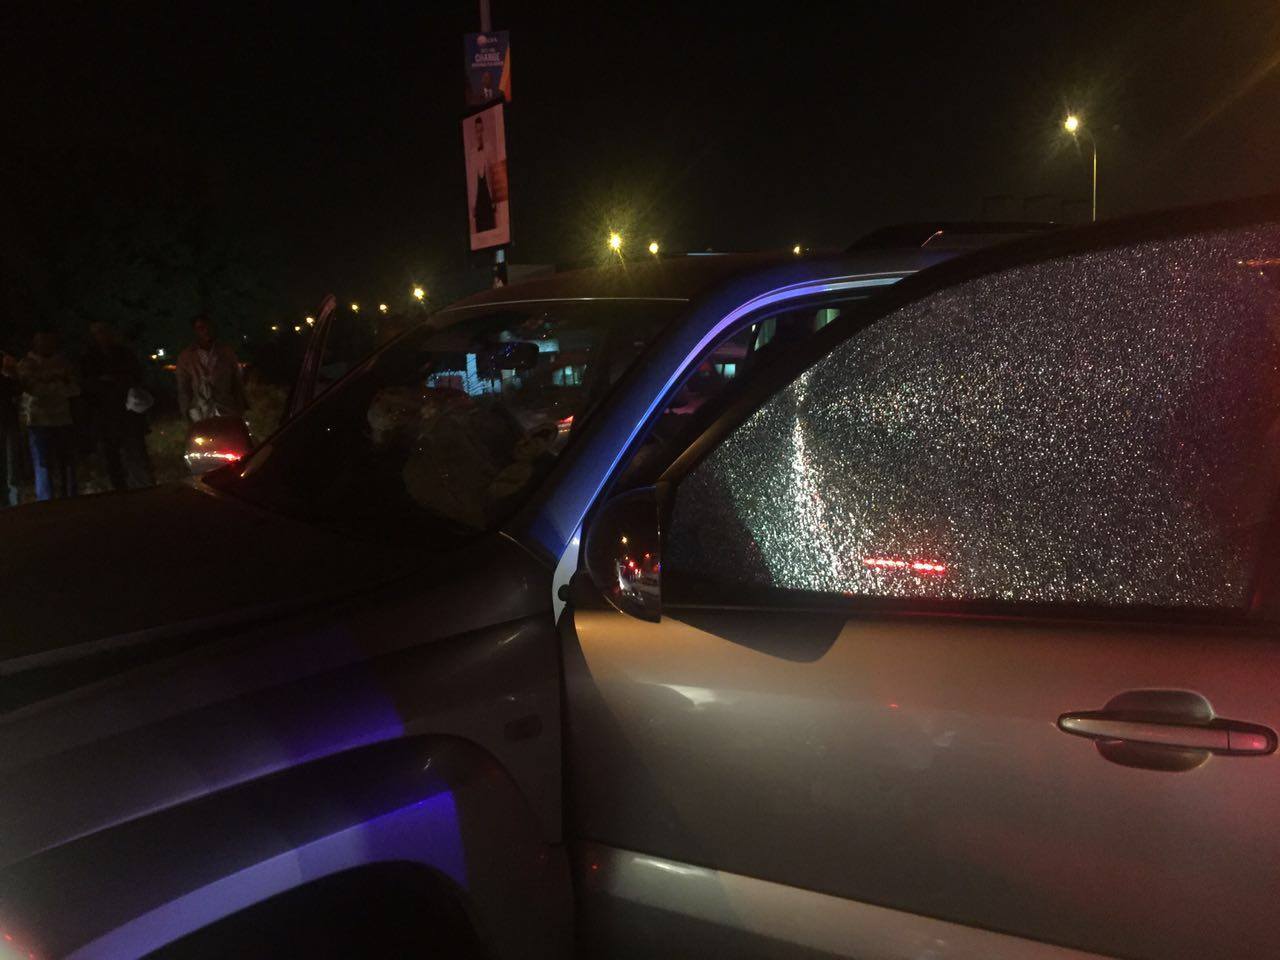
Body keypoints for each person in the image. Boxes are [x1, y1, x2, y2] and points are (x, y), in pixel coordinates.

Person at [2, 330, 80, 501]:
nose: (46, 345)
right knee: (43, 464)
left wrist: (48, 384)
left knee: (67, 463)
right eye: (42, 341)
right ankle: (46, 502)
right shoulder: (27, 364)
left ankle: (71, 499)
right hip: (39, 421)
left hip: (63, 419)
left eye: (49, 341)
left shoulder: (62, 362)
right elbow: (34, 390)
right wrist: (58, 383)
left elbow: (74, 389)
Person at [82, 321, 153, 490]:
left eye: (104, 331)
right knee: (112, 457)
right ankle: (120, 492)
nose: (102, 336)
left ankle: (144, 489)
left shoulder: (124, 353)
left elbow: (137, 376)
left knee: (136, 454)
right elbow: (87, 385)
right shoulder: (89, 358)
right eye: (98, 333)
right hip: (105, 415)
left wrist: (116, 381)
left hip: (129, 412)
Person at [175, 315, 248, 422]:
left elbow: (237, 382)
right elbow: (183, 388)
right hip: (200, 414)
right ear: (195, 331)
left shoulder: (226, 353)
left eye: (208, 327)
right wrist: (186, 413)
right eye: (201, 328)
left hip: (227, 410)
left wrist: (241, 407)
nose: (206, 331)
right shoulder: (186, 357)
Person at [0, 351, 22, 506]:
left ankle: (9, 500)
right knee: (9, 463)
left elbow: (18, 389)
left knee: (10, 462)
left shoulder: (6, 381)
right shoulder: (6, 381)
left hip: (8, 424)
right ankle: (9, 500)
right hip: (8, 424)